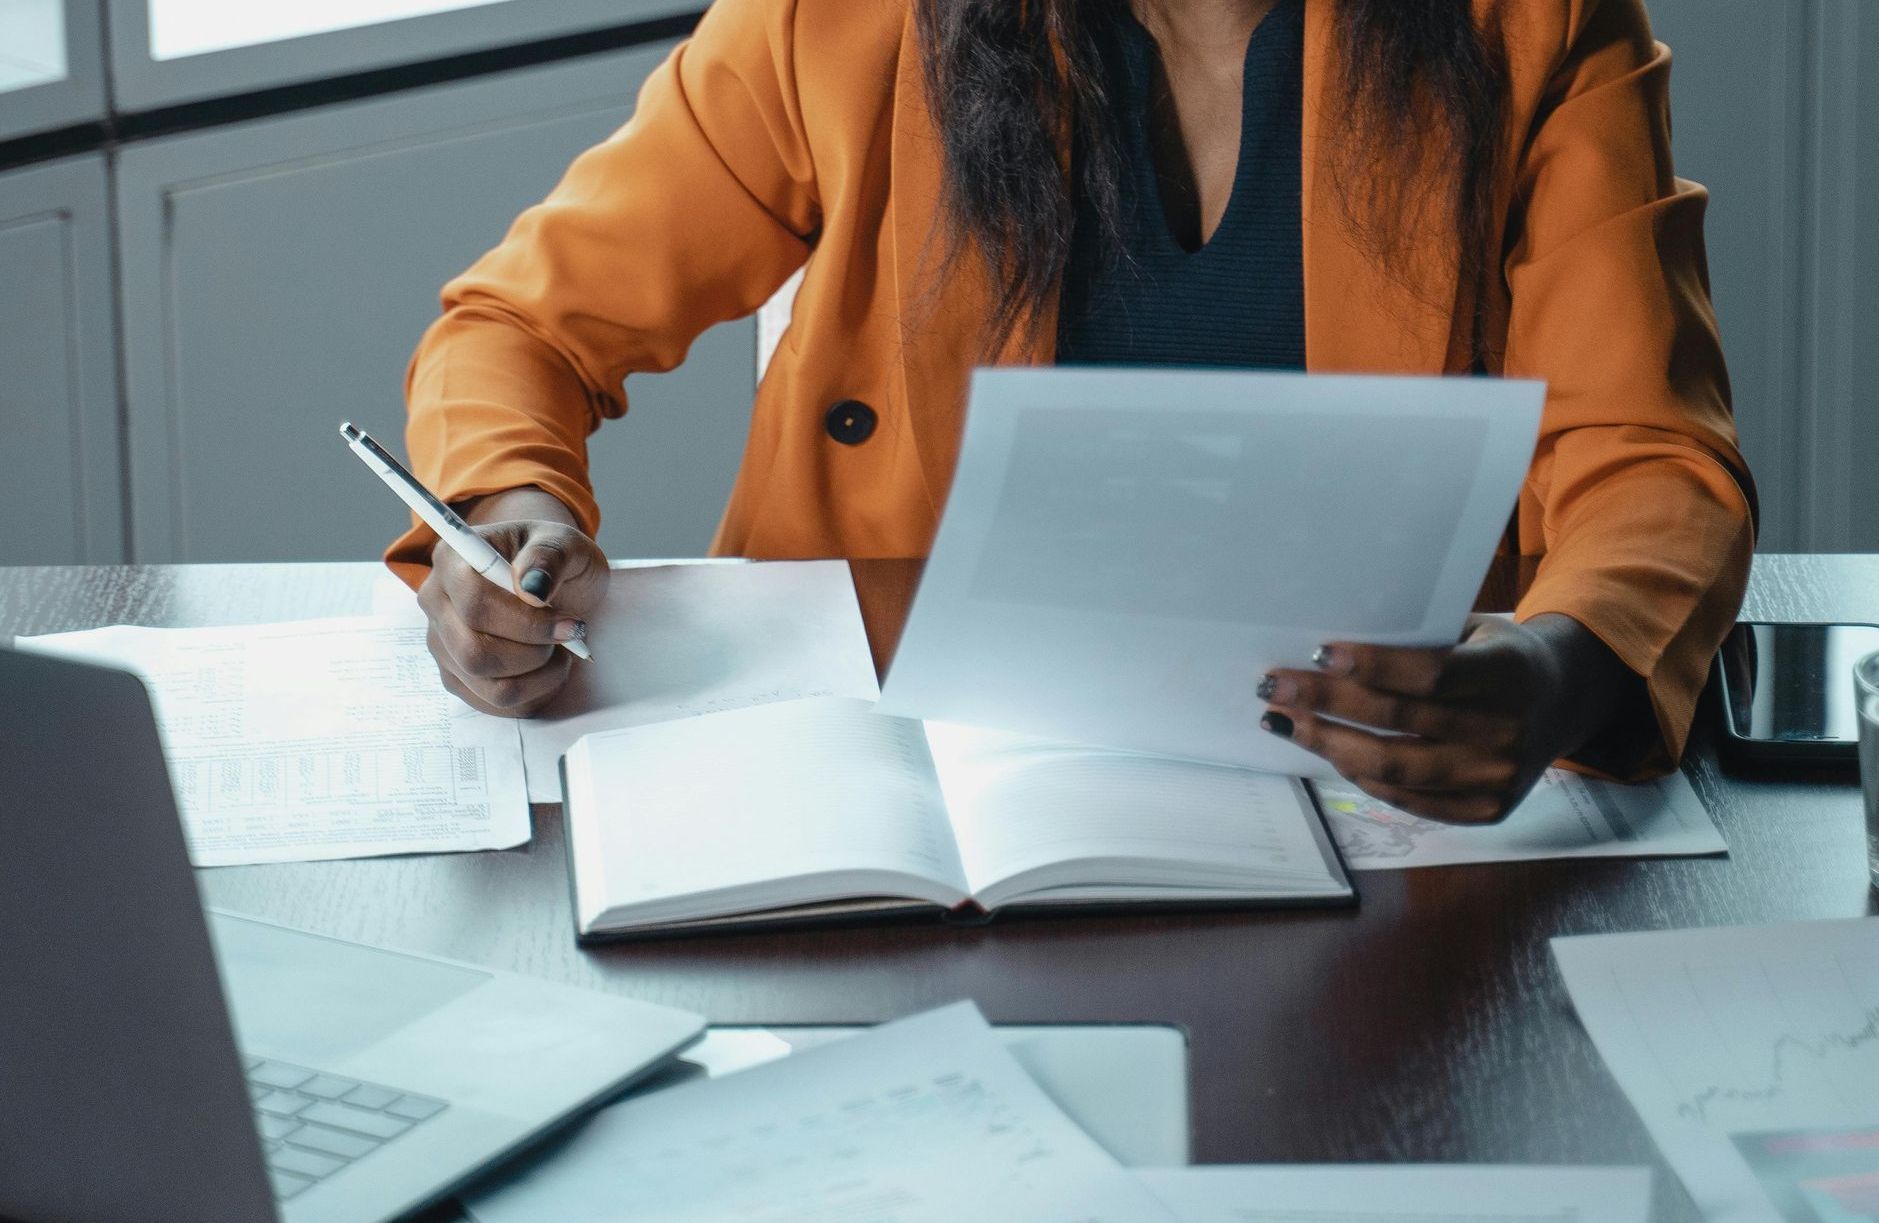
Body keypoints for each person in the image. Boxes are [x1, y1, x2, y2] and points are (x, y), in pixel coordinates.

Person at [387, 0, 1755, 825]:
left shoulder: (1531, 25)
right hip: (886, 790)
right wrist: (507, 514)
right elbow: (521, 326)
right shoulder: (844, 21)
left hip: (1367, 796)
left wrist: (1559, 667)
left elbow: (1646, 456)